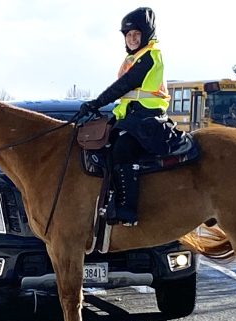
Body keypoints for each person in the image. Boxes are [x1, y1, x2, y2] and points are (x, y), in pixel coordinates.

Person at [77, 6, 189, 226]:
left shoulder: (150, 56)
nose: (132, 38)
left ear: (146, 35)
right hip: (132, 116)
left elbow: (125, 85)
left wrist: (96, 102)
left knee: (123, 149)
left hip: (147, 118)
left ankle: (128, 210)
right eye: (128, 35)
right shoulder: (133, 58)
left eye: (137, 34)